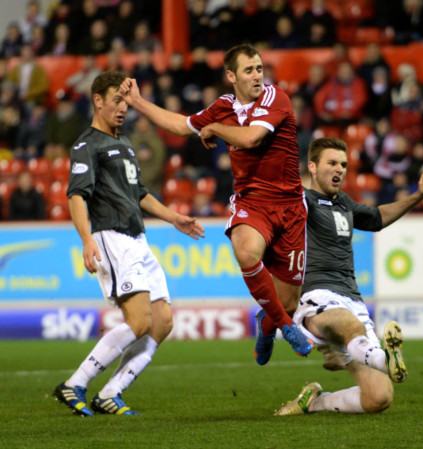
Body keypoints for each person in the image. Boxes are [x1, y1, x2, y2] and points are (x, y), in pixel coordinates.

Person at [118, 43, 314, 363]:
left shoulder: (275, 97)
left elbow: (252, 138)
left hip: (291, 207)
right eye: (249, 70)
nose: (257, 76)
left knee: (288, 301)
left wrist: (214, 129)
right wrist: (137, 102)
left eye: (259, 68)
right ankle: (287, 327)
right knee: (246, 250)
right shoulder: (222, 106)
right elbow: (182, 126)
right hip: (252, 202)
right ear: (231, 76)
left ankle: (269, 324)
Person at [54, 71, 205, 417]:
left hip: (139, 240)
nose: (123, 108)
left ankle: (111, 392)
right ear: (98, 101)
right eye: (117, 101)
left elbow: (138, 193)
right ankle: (75, 383)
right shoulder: (86, 146)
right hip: (112, 238)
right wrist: (86, 239)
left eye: (125, 102)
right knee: (138, 321)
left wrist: (174, 218)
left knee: (162, 321)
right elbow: (77, 195)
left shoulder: (124, 144)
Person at [274, 138, 423, 415]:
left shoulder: (344, 204)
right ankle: (383, 358)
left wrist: (419, 195)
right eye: (332, 163)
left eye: (343, 164)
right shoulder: (300, 201)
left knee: (379, 398)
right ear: (313, 167)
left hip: (352, 300)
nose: (339, 169)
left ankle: (316, 401)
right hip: (317, 296)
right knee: (347, 323)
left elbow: (377, 218)